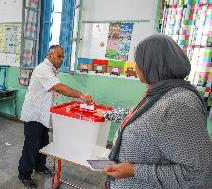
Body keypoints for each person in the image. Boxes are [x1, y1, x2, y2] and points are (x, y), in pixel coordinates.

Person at [95, 34, 212, 188]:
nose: (135, 67)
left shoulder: (180, 104)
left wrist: (134, 170)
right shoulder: (160, 91)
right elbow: (139, 115)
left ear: (153, 64)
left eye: (139, 62)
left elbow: (198, 174)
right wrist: (107, 114)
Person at [18, 45, 94, 188]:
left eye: (63, 57)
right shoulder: (43, 69)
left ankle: (40, 166)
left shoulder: (52, 69)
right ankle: (24, 174)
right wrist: (81, 95)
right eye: (59, 56)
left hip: (44, 114)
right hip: (34, 114)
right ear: (50, 55)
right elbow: (58, 87)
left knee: (44, 143)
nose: (62, 60)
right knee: (31, 145)